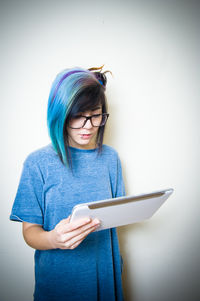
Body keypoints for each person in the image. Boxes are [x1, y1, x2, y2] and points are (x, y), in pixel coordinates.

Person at [10, 66, 126, 301]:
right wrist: (54, 239)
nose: (88, 126)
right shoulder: (37, 163)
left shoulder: (110, 158)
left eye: (95, 115)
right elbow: (30, 232)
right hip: (60, 283)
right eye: (78, 116)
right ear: (60, 115)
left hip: (106, 279)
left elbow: (117, 216)